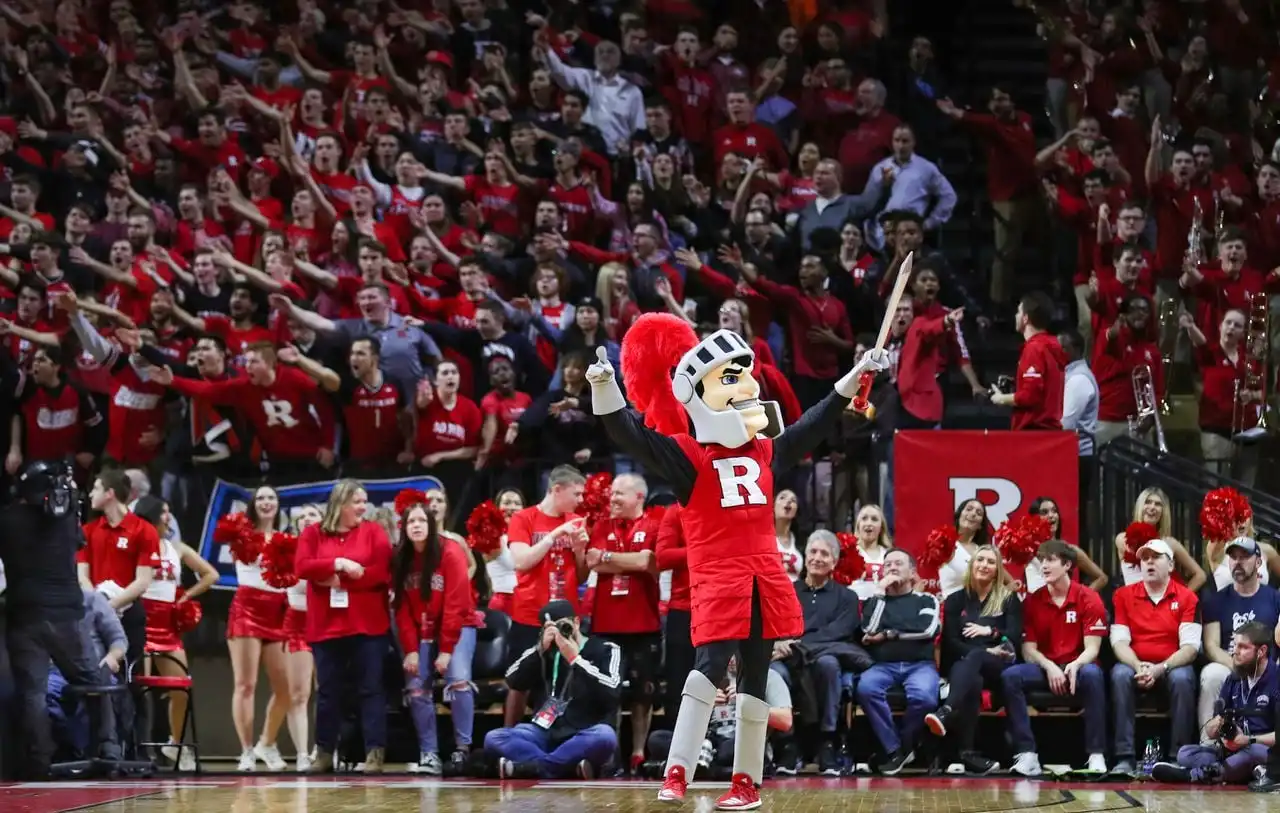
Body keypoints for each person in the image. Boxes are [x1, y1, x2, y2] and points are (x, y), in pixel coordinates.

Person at [586, 313, 889, 808]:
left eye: (746, 374)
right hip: (717, 578)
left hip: (763, 575)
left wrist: (854, 377)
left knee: (755, 675)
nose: (748, 386)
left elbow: (815, 423)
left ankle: (746, 782)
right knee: (707, 670)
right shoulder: (688, 456)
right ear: (697, 394)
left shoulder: (766, 453)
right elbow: (629, 435)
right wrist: (604, 385)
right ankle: (677, 771)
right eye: (732, 377)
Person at [0, 461, 119, 778]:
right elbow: (74, 537)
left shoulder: (8, 520)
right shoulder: (66, 520)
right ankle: (107, 751)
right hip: (67, 616)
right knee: (93, 683)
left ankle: (39, 763)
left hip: (25, 617)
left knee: (33, 693)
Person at [294, 479, 394, 774]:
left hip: (367, 625)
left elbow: (381, 572)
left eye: (365, 501)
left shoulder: (374, 532)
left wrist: (341, 579)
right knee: (328, 692)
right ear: (340, 504)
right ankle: (324, 752)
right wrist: (337, 563)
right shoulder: (313, 534)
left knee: (371, 689)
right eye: (357, 501)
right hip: (326, 627)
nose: (363, 507)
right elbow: (302, 567)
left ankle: (374, 752)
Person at [484, 599, 621, 779]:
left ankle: (531, 767)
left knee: (605, 736)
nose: (558, 633)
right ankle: (563, 767)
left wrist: (576, 659)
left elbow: (612, 692)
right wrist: (540, 648)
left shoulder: (606, 649)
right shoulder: (543, 652)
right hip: (544, 730)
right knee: (494, 738)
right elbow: (513, 680)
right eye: (550, 628)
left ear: (577, 623)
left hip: (585, 731)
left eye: (563, 626)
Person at [393, 495, 478, 776]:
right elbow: (402, 610)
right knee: (416, 686)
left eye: (421, 520)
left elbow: (456, 604)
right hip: (422, 630)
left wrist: (446, 649)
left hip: (458, 624)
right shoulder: (401, 558)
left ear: (431, 524)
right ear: (404, 528)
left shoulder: (450, 551)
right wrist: (411, 650)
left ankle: (462, 750)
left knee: (458, 680)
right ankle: (429, 753)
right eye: (410, 521)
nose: (416, 525)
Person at [769, 531, 865, 776]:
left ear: (834, 562)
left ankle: (827, 741)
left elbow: (838, 633)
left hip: (822, 657)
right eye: (813, 552)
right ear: (805, 557)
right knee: (774, 672)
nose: (817, 558)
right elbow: (775, 626)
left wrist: (795, 644)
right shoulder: (787, 592)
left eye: (825, 553)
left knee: (829, 665)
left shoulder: (847, 597)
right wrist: (782, 645)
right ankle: (786, 744)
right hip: (787, 660)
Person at [584, 473, 662, 773]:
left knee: (644, 692)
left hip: (643, 623)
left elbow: (648, 563)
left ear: (639, 498)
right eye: (612, 493)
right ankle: (610, 752)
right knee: (608, 691)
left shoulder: (654, 524)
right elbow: (592, 560)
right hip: (606, 623)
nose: (612, 498)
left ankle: (639, 753)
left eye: (619, 494)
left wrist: (610, 558)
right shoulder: (602, 524)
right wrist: (629, 559)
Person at [133, 496, 218, 771]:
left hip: (168, 627)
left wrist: (186, 596)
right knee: (137, 690)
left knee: (181, 689)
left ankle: (176, 744)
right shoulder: (136, 545)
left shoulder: (177, 548)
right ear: (151, 516)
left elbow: (210, 574)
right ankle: (135, 748)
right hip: (141, 622)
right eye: (165, 512)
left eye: (169, 512)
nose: (169, 518)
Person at [78, 469, 159, 757]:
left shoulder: (143, 530)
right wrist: (99, 606)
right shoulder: (87, 531)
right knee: (96, 677)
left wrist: (111, 606)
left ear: (110, 493)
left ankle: (140, 750)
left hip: (129, 613)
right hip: (94, 616)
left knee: (132, 680)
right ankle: (101, 746)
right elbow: (82, 576)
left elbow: (143, 580)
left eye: (96, 489)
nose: (91, 495)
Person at [503, 466, 587, 727]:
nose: (581, 500)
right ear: (557, 490)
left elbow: (582, 575)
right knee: (519, 683)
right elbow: (521, 561)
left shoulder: (576, 520)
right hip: (529, 614)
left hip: (566, 616)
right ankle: (508, 737)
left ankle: (552, 735)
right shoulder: (524, 518)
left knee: (562, 679)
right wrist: (553, 536)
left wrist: (581, 549)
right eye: (576, 494)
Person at [926, 545, 1022, 774]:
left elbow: (1014, 637)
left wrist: (991, 633)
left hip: (1001, 663)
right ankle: (967, 754)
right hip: (965, 664)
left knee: (975, 660)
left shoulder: (1008, 599)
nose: (984, 565)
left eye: (990, 562)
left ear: (997, 569)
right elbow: (950, 641)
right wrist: (983, 652)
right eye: (980, 560)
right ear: (972, 565)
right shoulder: (956, 599)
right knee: (973, 678)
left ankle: (946, 712)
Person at [1109, 538, 1201, 776]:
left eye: (1156, 557)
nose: (1149, 562)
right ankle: (1124, 758)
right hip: (1136, 663)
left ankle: (1178, 758)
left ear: (1170, 566)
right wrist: (1138, 665)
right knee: (1119, 674)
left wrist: (1160, 668)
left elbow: (1190, 649)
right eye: (1144, 558)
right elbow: (1119, 641)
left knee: (1183, 678)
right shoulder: (1123, 595)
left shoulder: (1187, 598)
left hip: (1171, 664)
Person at [1152, 622, 1277, 784]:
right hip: (1234, 751)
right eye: (1234, 646)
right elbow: (1212, 732)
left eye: (1243, 647)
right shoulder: (1235, 678)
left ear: (1261, 651)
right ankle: (1243, 771)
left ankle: (1196, 775)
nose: (1235, 652)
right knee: (1185, 753)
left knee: (1255, 752)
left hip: (1262, 748)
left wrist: (1248, 739)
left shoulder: (1276, 679)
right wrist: (1218, 727)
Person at [855, 548, 942, 774]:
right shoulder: (878, 601)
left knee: (924, 697)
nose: (891, 568)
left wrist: (888, 634)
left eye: (898, 564)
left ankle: (901, 747)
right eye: (888, 565)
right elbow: (869, 628)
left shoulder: (926, 599)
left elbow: (927, 629)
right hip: (883, 666)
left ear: (912, 572)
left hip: (920, 665)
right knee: (866, 688)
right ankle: (896, 749)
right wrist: (880, 592)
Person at [225, 485, 293, 772]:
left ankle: (267, 742)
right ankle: (246, 751)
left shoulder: (287, 539)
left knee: (286, 689)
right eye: (261, 498)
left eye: (271, 498)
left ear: (278, 505)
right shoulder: (241, 535)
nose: (267, 502)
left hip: (278, 609)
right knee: (245, 684)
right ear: (253, 504)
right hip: (248, 607)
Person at [1197, 538, 1280, 735]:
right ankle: (1209, 745)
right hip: (1231, 661)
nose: (1237, 562)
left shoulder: (1274, 598)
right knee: (1211, 675)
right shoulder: (1216, 599)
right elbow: (1211, 644)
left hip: (1268, 664)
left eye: (1244, 557)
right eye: (1233, 558)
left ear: (1258, 562)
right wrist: (1236, 664)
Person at [989, 291, 1066, 430]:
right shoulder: (1052, 346)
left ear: (1025, 318)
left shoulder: (1034, 348)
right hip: (1050, 430)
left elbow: (1031, 395)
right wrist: (1017, 383)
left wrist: (1002, 398)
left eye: (1018, 312)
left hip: (1033, 431)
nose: (1016, 315)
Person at [283, 504, 323, 772]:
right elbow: (291, 593)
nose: (307, 518)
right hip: (298, 623)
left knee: (328, 692)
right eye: (302, 515)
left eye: (313, 514)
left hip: (328, 623)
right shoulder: (286, 551)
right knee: (299, 694)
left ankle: (324, 749)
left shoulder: (333, 547)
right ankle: (301, 754)